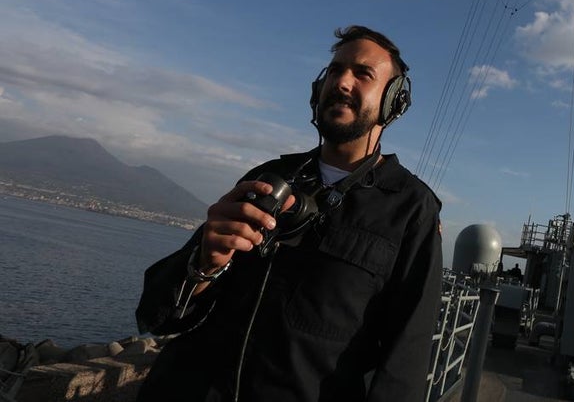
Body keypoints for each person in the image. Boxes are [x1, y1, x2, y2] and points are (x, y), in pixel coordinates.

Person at [136, 26, 442, 402]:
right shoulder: (267, 179)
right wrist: (204, 265)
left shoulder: (411, 209)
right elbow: (157, 315)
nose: (343, 81)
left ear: (393, 102)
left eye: (363, 74)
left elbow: (405, 363)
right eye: (335, 70)